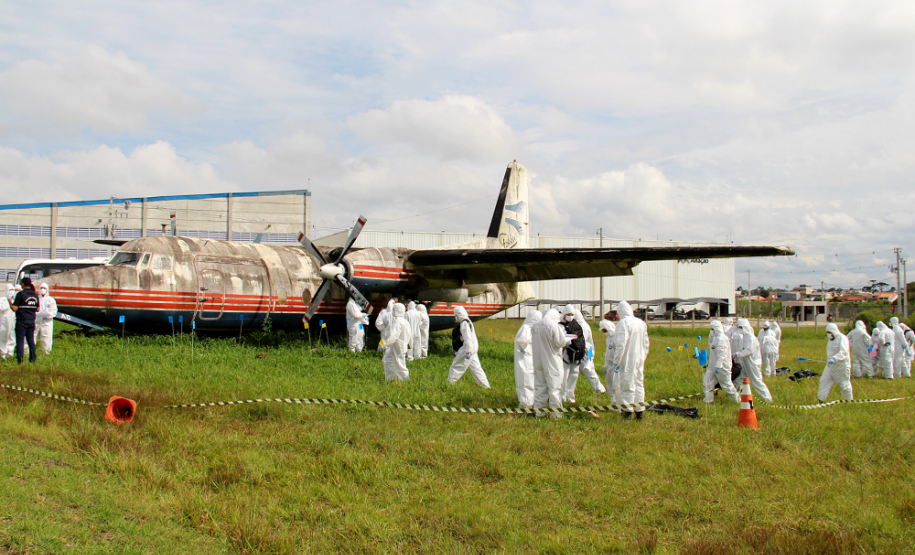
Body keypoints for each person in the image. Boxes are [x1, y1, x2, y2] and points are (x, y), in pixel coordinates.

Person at [612, 300, 650, 419]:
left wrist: (616, 361)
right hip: (639, 358)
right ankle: (639, 412)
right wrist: (643, 357)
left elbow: (621, 344)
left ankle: (627, 413)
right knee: (639, 384)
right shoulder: (641, 322)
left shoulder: (623, 323)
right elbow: (646, 343)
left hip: (627, 359)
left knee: (627, 384)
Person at [532, 308, 570, 419]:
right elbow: (560, 342)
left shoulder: (535, 325)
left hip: (538, 360)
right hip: (552, 360)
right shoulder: (553, 325)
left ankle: (539, 412)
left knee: (539, 386)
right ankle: (556, 414)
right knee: (554, 387)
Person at [448, 306, 490, 388]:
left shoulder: (464, 323)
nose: (455, 317)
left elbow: (467, 339)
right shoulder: (468, 321)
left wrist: (468, 351)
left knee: (456, 366)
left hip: (467, 349)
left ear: (458, 315)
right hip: (473, 349)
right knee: (476, 369)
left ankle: (450, 383)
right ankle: (485, 386)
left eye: (455, 315)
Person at [732, 318, 773, 402]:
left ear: (744, 327)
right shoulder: (744, 337)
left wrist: (738, 354)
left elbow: (749, 350)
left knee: (757, 382)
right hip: (746, 363)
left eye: (740, 327)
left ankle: (768, 399)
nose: (738, 329)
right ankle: (737, 398)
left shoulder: (751, 337)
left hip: (753, 363)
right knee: (738, 380)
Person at [704, 320, 740, 403]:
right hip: (712, 366)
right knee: (707, 382)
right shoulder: (716, 338)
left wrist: (718, 365)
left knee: (726, 385)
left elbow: (722, 354)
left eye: (712, 329)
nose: (711, 331)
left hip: (722, 367)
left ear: (717, 329)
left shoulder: (722, 339)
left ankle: (737, 400)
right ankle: (708, 400)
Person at [513, 310, 542, 409]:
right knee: (527, 382)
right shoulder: (527, 328)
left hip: (526, 360)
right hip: (526, 360)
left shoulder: (528, 328)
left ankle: (527, 404)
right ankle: (527, 404)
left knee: (527, 382)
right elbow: (522, 340)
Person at [818, 323, 853, 402]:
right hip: (830, 366)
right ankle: (821, 400)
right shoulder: (830, 340)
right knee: (823, 381)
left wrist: (835, 358)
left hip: (841, 366)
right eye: (827, 333)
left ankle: (849, 401)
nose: (828, 335)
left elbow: (844, 352)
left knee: (843, 385)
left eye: (829, 332)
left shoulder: (842, 338)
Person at [10, 277, 40, 365]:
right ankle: (33, 358)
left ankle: (20, 360)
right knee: (31, 340)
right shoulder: (35, 295)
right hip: (31, 321)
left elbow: (14, 308)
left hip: (21, 321)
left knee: (20, 341)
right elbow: (38, 309)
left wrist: (10, 302)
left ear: (22, 284)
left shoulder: (20, 294)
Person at [381, 303, 410, 381]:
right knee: (387, 360)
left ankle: (405, 379)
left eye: (394, 310)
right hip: (398, 345)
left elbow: (394, 336)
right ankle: (390, 378)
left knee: (400, 364)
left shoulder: (398, 321)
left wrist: (386, 345)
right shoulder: (404, 321)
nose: (392, 311)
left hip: (398, 346)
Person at [33, 283, 58, 355]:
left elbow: (54, 311)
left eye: (44, 288)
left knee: (47, 337)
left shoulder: (51, 300)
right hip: (37, 320)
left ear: (47, 290)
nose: (42, 290)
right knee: (33, 336)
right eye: (41, 288)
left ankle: (46, 353)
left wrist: (46, 316)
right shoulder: (36, 299)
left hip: (47, 321)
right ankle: (30, 352)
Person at [599, 319, 617, 404]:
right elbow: (608, 352)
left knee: (616, 385)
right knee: (609, 385)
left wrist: (617, 363)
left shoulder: (617, 337)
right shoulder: (608, 338)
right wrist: (605, 365)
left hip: (616, 365)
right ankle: (613, 401)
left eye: (605, 330)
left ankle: (618, 404)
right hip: (609, 365)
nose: (604, 332)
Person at [0, 284, 15, 359]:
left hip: (13, 322)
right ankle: (3, 354)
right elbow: (2, 308)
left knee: (12, 337)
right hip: (4, 322)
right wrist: (9, 301)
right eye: (10, 290)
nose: (11, 292)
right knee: (3, 338)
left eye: (12, 290)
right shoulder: (2, 299)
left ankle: (10, 354)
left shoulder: (15, 300)